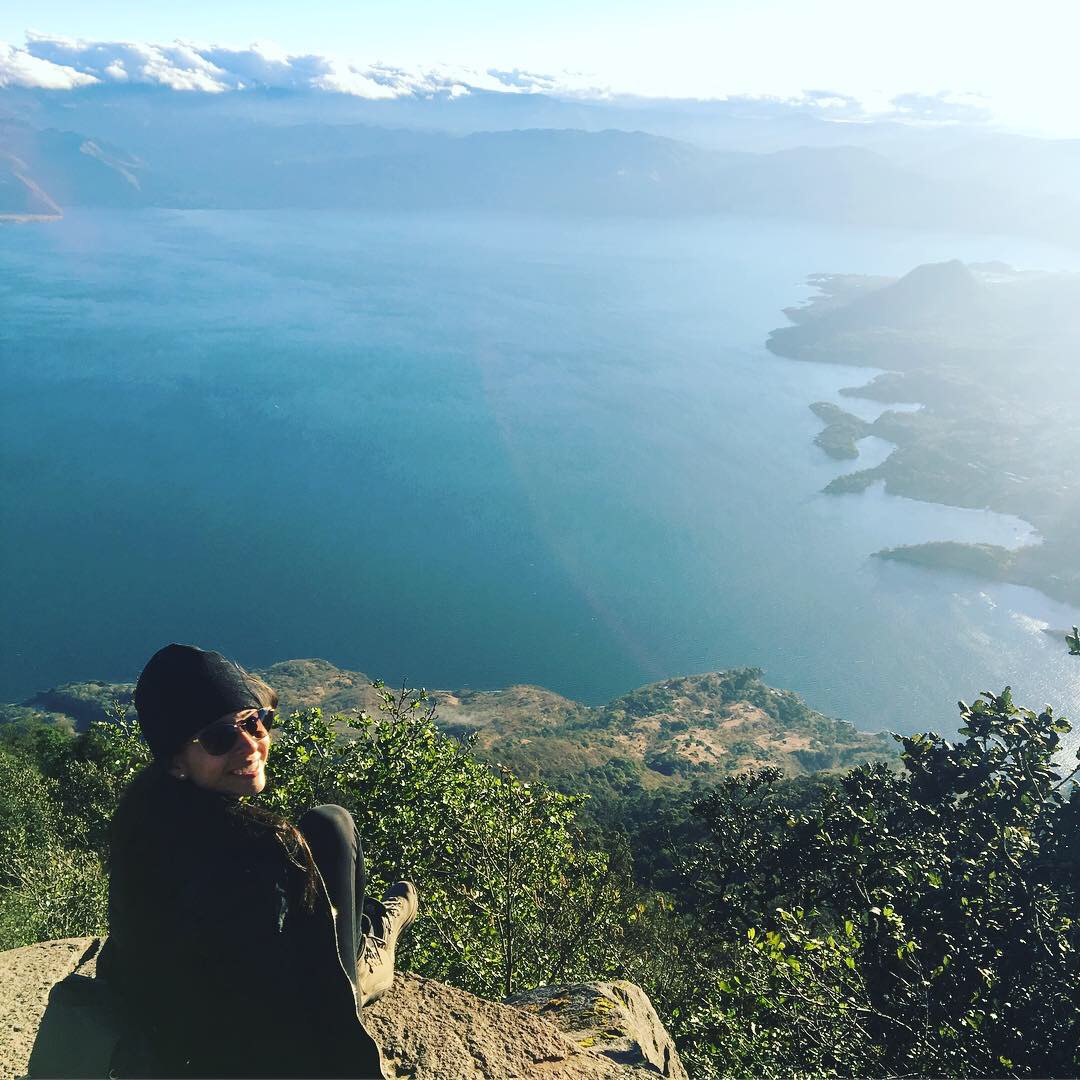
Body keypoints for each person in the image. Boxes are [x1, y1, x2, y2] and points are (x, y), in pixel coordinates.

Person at [96, 643, 417, 1079]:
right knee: (334, 826)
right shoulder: (267, 851)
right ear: (176, 761)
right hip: (262, 1052)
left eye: (255, 723)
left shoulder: (143, 820)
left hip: (176, 1036)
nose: (250, 746)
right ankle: (374, 941)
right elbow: (314, 1010)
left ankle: (371, 928)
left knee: (323, 826)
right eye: (218, 737)